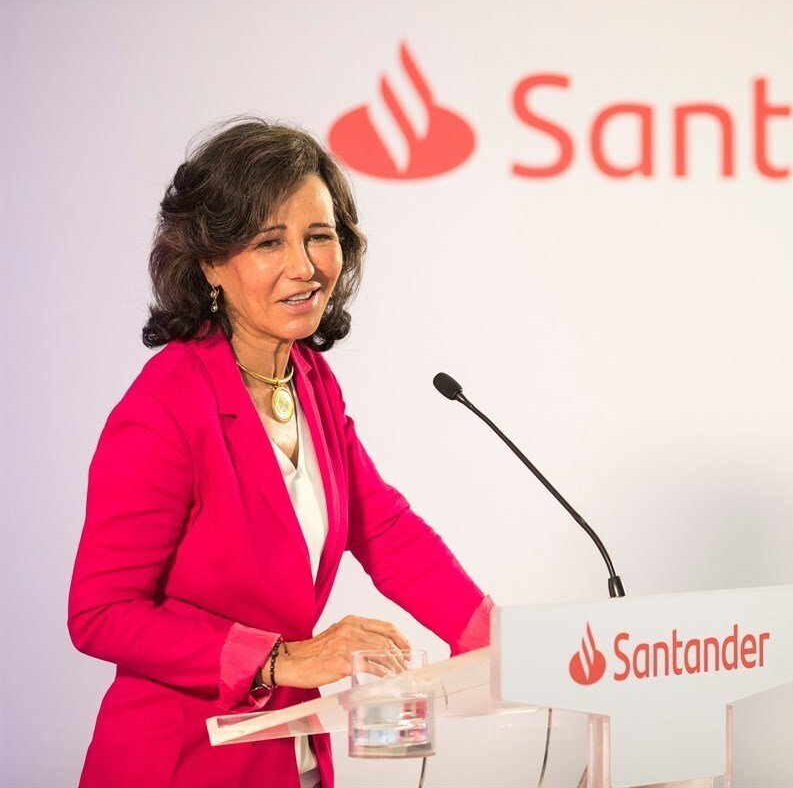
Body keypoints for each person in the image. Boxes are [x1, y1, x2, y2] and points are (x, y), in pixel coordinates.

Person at [66, 117, 494, 788]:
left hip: (289, 751)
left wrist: (499, 642)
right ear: (210, 262)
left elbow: (381, 527)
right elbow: (101, 614)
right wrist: (281, 659)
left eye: (320, 236)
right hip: (184, 761)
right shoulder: (163, 408)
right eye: (269, 242)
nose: (305, 266)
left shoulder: (309, 379)